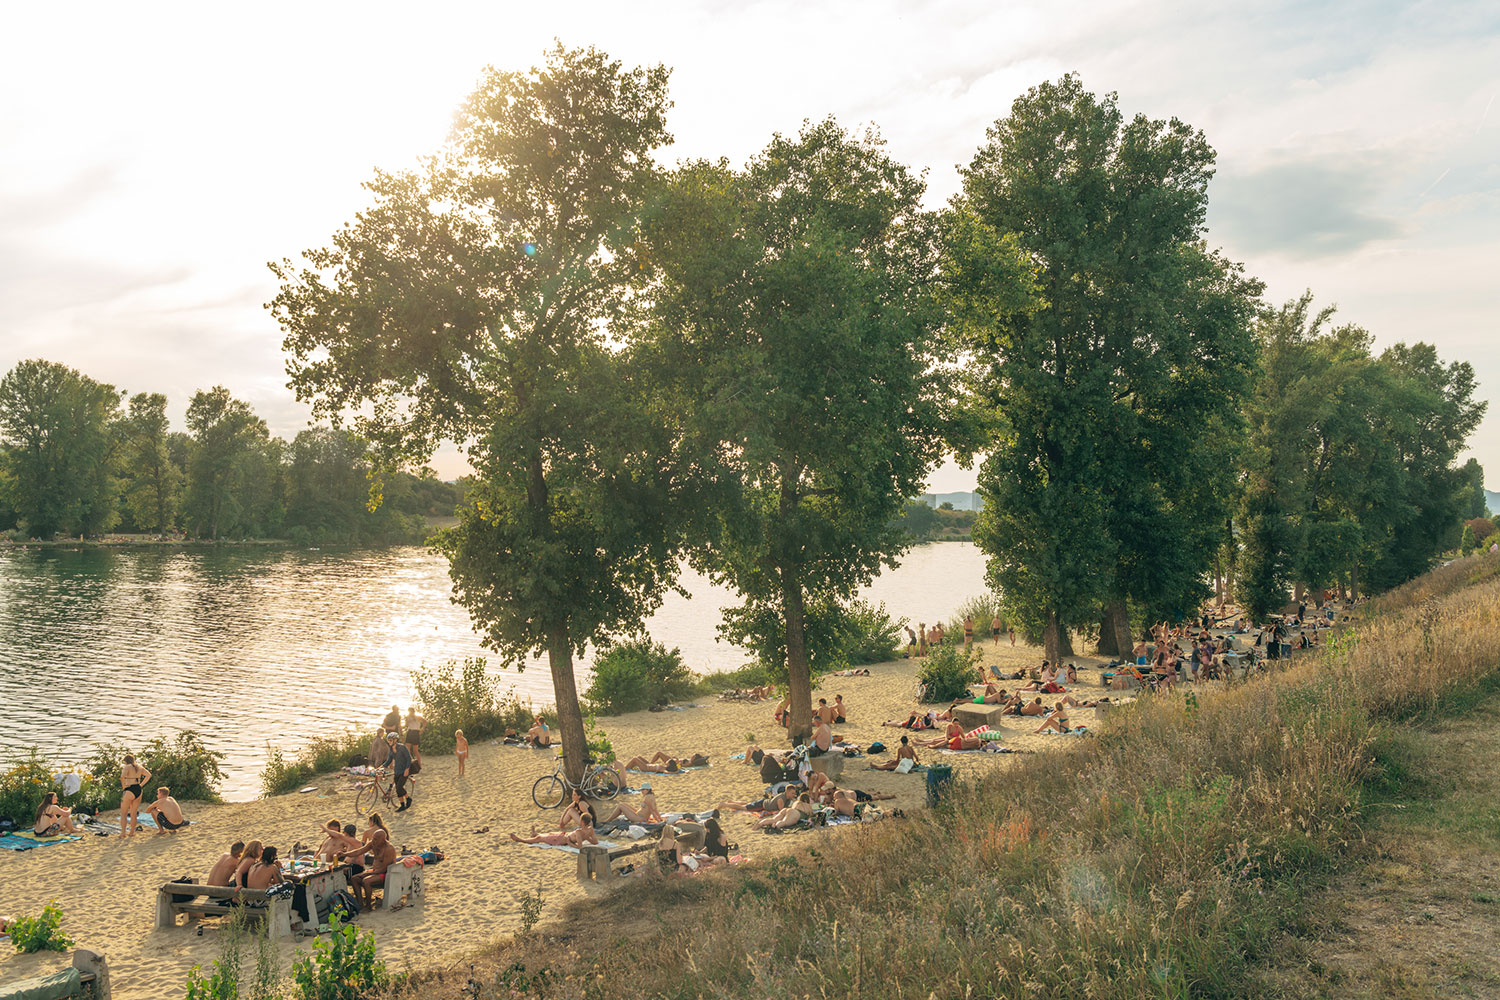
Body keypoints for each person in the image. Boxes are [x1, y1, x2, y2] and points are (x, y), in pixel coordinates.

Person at [341, 813, 398, 911]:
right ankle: (359, 903)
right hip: (374, 871)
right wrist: (345, 854)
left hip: (385, 873)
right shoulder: (373, 843)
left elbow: (385, 867)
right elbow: (359, 851)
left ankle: (368, 905)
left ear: (383, 839)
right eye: (373, 839)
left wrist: (370, 873)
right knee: (354, 879)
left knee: (366, 881)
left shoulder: (389, 849)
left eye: (376, 839)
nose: (373, 841)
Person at [510, 814, 598, 848]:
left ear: (582, 822)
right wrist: (587, 838)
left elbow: (579, 846)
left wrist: (569, 842)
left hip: (561, 839)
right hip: (563, 835)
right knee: (549, 834)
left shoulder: (579, 832)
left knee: (539, 838)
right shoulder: (590, 830)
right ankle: (535, 833)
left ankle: (521, 840)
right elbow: (595, 842)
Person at [119, 753, 151, 836]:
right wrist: (141, 785)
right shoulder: (139, 767)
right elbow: (148, 775)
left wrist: (124, 787)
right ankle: (132, 832)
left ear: (125, 761)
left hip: (129, 789)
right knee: (133, 813)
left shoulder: (127, 767)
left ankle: (123, 833)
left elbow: (122, 777)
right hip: (138, 789)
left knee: (124, 813)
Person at [384, 732, 414, 812]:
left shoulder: (402, 747)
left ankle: (408, 799)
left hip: (404, 771)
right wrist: (381, 767)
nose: (389, 742)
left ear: (395, 740)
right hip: (397, 771)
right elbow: (389, 760)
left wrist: (407, 769)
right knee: (398, 789)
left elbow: (409, 759)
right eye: (388, 740)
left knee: (399, 787)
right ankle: (402, 805)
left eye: (390, 740)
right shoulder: (390, 749)